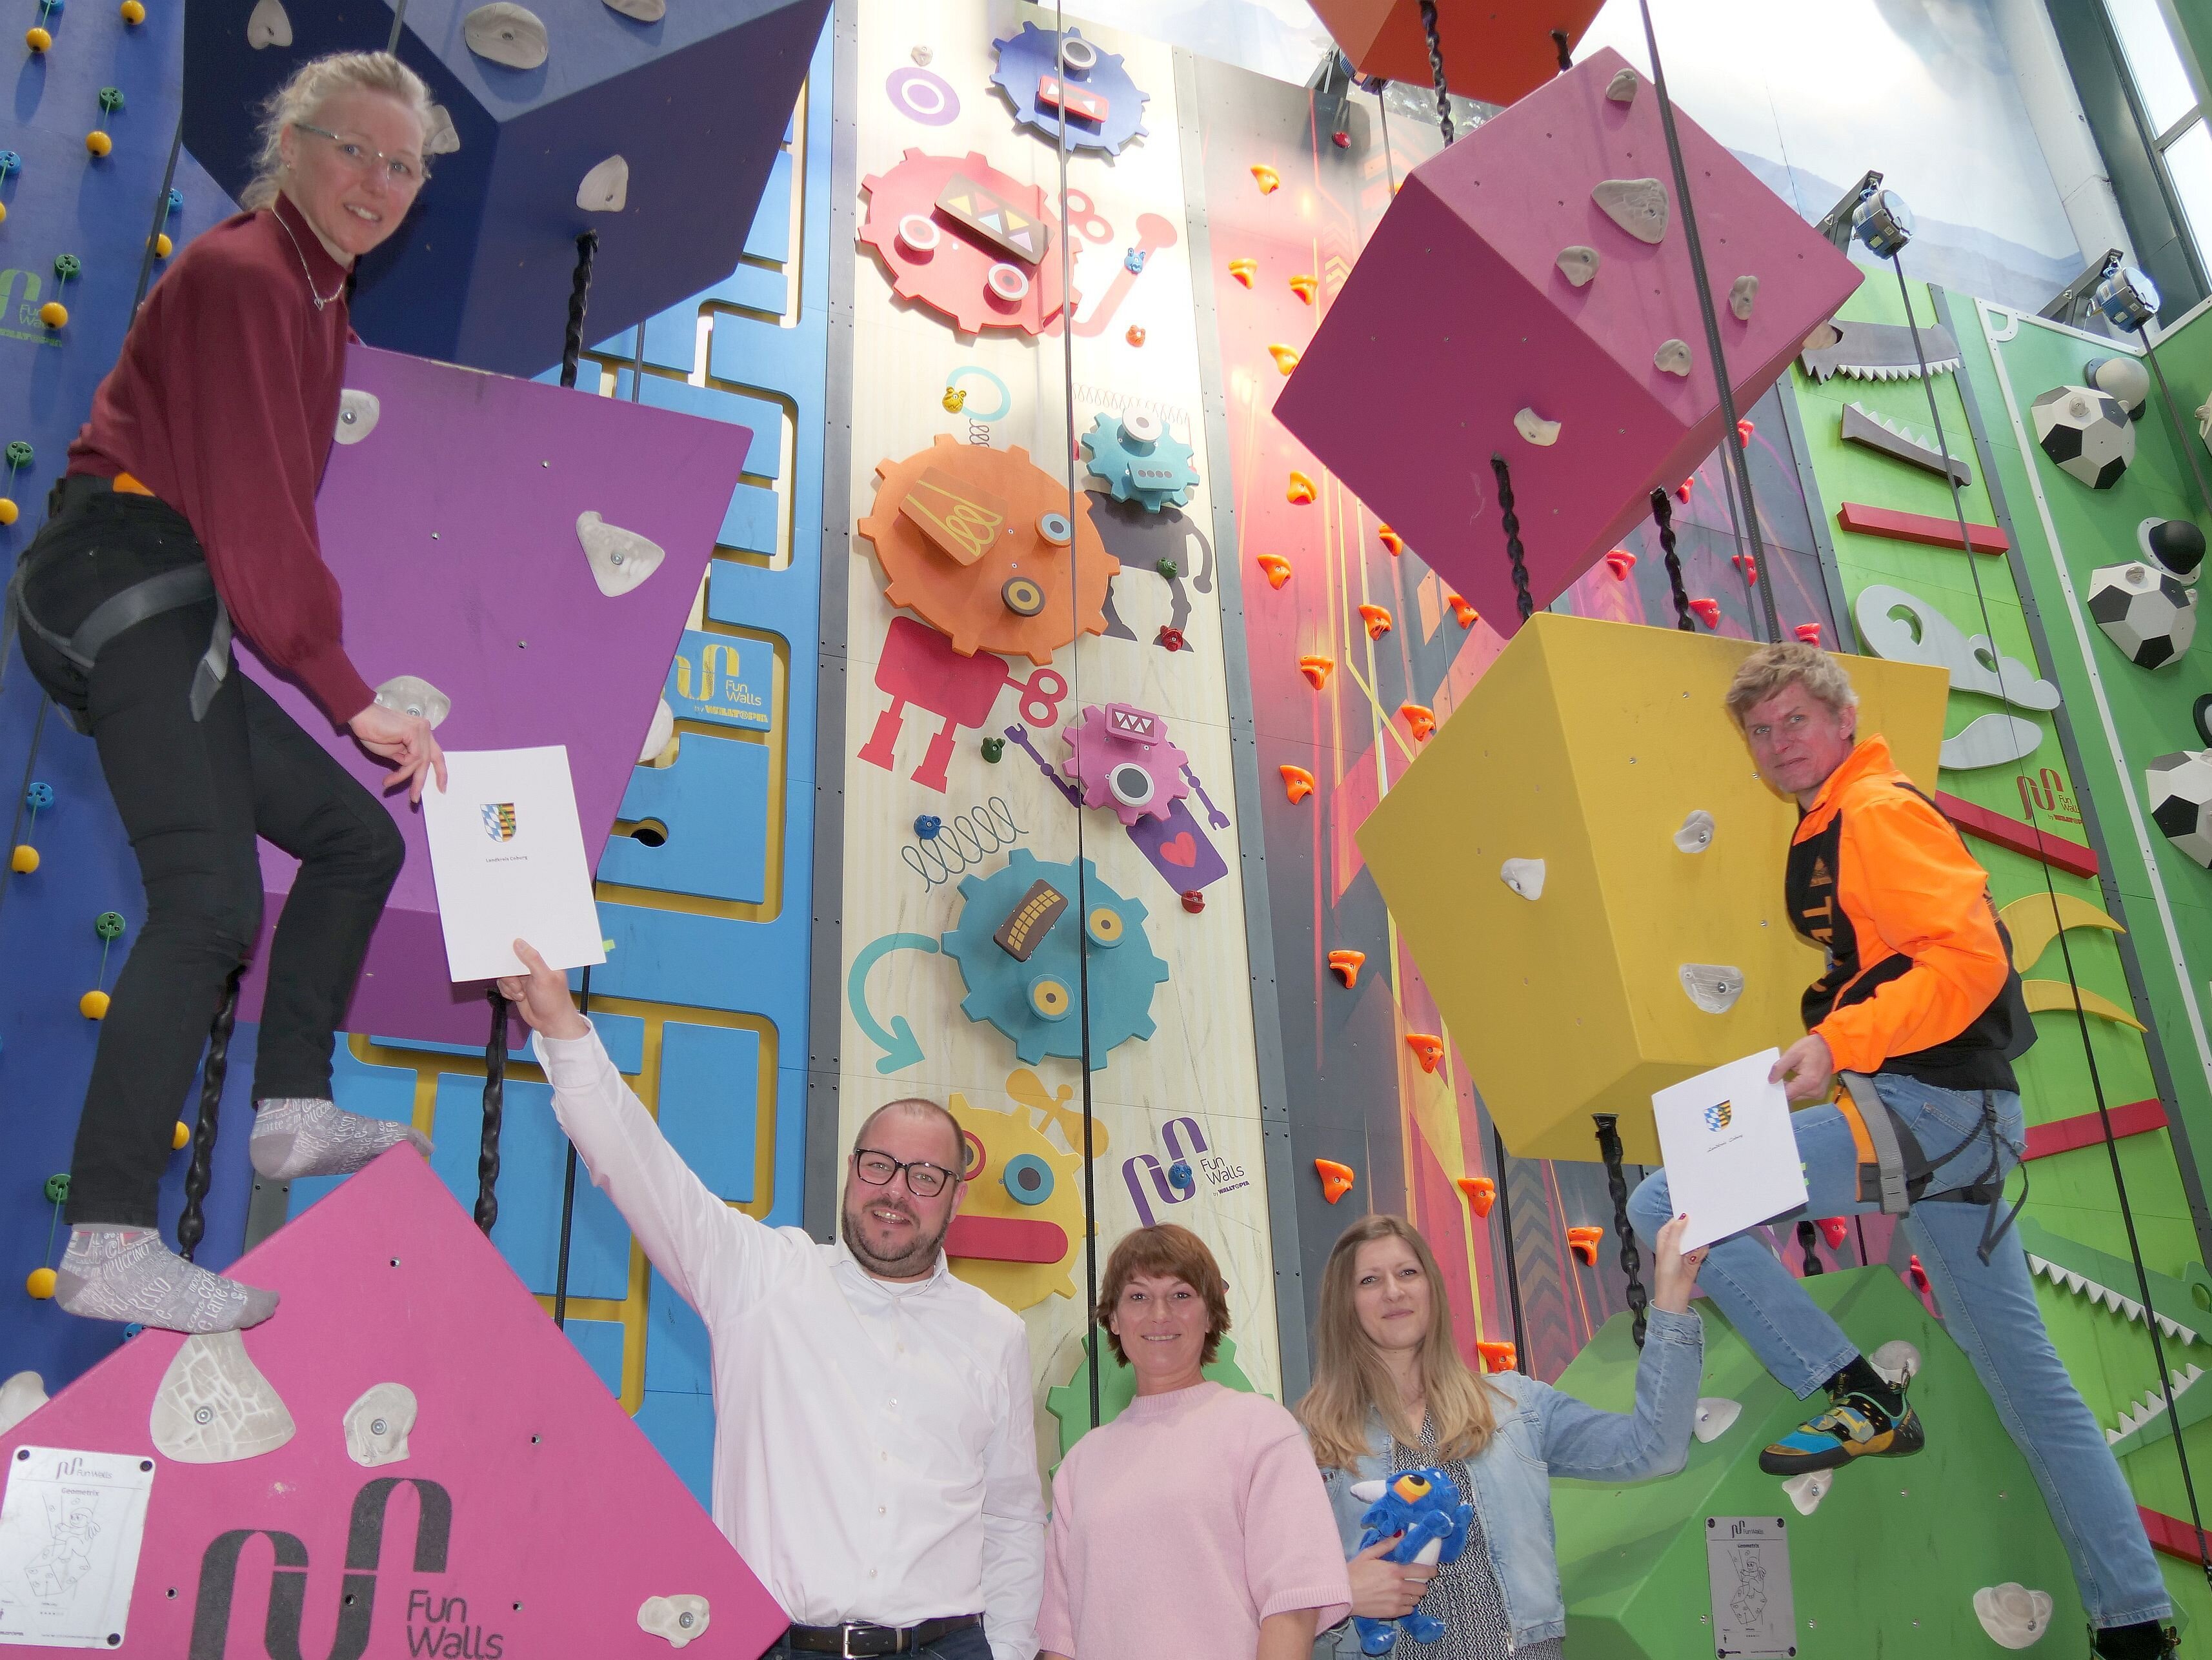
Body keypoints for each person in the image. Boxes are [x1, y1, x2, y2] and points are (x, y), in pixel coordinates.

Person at [1625, 641, 2177, 1660]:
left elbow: (1969, 960)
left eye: (1795, 720)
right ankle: (2136, 1622)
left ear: (1842, 722)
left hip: (1927, 1111)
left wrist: (1840, 1040)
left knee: (1666, 1207)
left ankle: (1859, 1396)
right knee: (2030, 1378)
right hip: (1951, 1122)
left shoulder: (1876, 811)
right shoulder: (1841, 821)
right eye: (1760, 730)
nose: (1778, 742)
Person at [19, 52, 447, 1334]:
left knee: (353, 836)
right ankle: (106, 1236)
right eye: (353, 150)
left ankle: (291, 1106)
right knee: (205, 905)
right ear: (290, 144)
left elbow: (254, 519)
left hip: (157, 593)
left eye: (403, 164)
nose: (377, 181)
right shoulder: (253, 276)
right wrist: (346, 689)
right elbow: (256, 521)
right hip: (128, 571)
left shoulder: (320, 301)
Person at [498, 939, 1043, 1659]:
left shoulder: (995, 1333)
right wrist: (562, 1026)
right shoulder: (761, 1276)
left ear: (955, 1196)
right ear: (851, 1171)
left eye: (923, 1176)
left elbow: (1010, 1516)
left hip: (952, 1644)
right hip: (783, 1645)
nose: (895, 1193)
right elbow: (640, 1169)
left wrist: (1005, 1652)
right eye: (879, 1165)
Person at [1302, 1213, 1706, 1658]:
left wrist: (1670, 1298)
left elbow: (1655, 1448)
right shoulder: (1309, 1438)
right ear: (1345, 1303)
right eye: (1369, 1280)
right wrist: (1339, 1595)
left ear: (1431, 1286)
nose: (1394, 1291)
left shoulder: (1515, 1405)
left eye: (1407, 1273)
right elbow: (1262, 1593)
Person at [1038, 1224, 1350, 1660]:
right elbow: (1061, 1637)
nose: (1159, 1314)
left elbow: (1292, 1605)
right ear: (1113, 1318)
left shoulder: (1261, 1430)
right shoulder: (1082, 1464)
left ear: (1210, 1314)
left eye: (1181, 1295)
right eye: (1138, 1296)